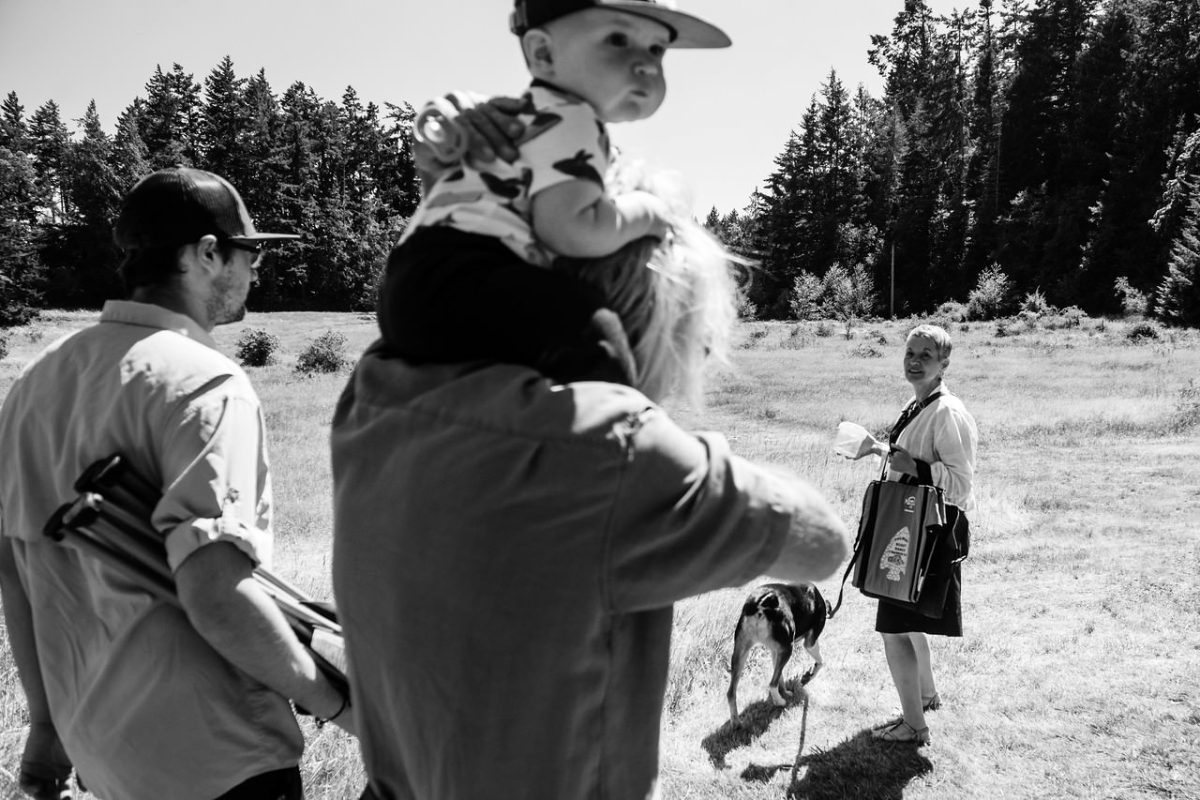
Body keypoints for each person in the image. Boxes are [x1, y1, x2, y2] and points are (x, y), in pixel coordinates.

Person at [331, 161, 851, 800]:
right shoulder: (611, 451)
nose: (695, 365)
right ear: (654, 320)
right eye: (698, 342)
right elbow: (824, 543)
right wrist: (689, 451)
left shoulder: (376, 393)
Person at [0, 167, 356, 800]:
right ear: (208, 253)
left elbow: (15, 567)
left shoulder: (36, 381)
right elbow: (218, 593)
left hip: (106, 754)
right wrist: (338, 704)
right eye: (251, 252)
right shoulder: (206, 385)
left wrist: (49, 724)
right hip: (219, 757)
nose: (257, 270)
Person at [376, 0, 731, 384]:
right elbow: (570, 230)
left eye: (657, 49)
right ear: (543, 53)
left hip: (409, 283)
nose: (646, 63)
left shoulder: (532, 117)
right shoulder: (573, 118)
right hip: (468, 278)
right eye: (617, 38)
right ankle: (612, 434)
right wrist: (648, 212)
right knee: (597, 344)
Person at [852, 323, 978, 745]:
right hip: (909, 525)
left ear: (944, 364)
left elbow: (961, 484)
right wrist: (878, 449)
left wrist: (916, 469)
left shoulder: (948, 412)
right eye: (910, 352)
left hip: (928, 534)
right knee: (906, 622)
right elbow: (910, 458)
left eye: (926, 355)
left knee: (892, 627)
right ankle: (926, 695)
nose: (915, 361)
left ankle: (914, 726)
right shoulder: (919, 402)